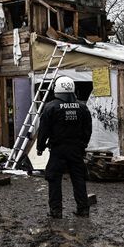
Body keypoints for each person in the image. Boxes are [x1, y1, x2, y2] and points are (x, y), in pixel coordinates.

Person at [36, 76, 93, 218]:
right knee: (78, 179)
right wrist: (83, 144)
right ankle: (83, 209)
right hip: (76, 150)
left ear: (57, 89)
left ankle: (56, 211)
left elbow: (44, 130)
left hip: (58, 150)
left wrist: (40, 147)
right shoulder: (82, 107)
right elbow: (88, 129)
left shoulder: (50, 107)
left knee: (54, 179)